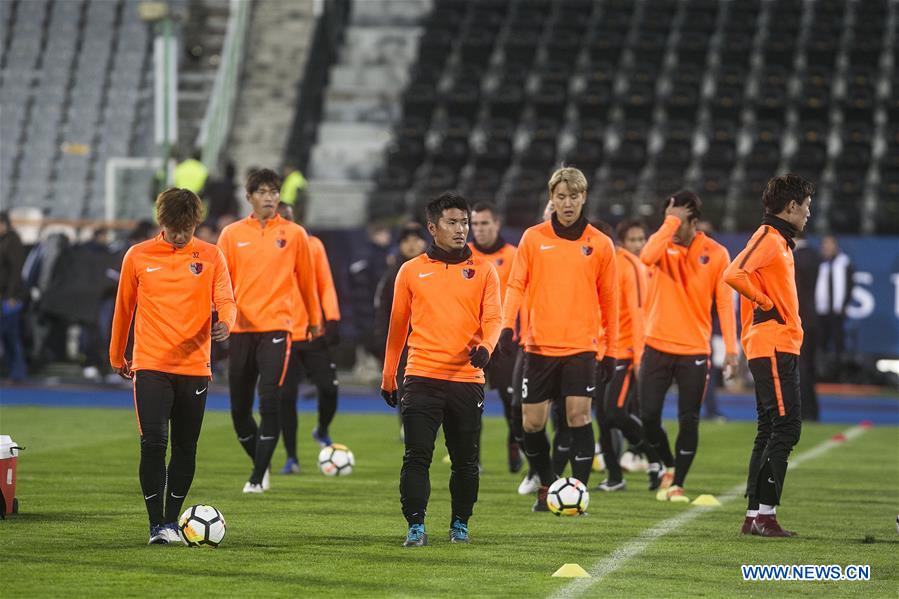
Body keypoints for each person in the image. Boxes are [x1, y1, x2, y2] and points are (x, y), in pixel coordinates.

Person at [108, 188, 236, 544]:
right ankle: (157, 526)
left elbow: (225, 297)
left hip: (195, 366)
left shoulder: (211, 256)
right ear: (161, 222)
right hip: (151, 363)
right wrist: (117, 354)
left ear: (196, 223)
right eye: (174, 228)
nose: (180, 236)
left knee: (185, 447)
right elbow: (124, 308)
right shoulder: (138, 256)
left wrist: (227, 320)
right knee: (152, 443)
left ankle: (170, 519)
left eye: (187, 229)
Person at [380, 192, 501, 546]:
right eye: (452, 222)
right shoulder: (411, 271)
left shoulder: (484, 271)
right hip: (421, 377)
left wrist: (486, 347)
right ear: (433, 228)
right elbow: (397, 327)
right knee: (417, 455)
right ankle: (415, 526)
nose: (461, 229)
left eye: (464, 222)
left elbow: (494, 317)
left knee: (465, 461)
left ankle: (460, 524)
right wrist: (389, 376)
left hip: (467, 379)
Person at [498, 167, 619, 511]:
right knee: (530, 424)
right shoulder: (533, 238)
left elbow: (611, 301)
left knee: (578, 419)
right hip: (537, 347)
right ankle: (549, 483)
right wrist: (507, 326)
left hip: (582, 348)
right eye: (561, 196)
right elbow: (515, 285)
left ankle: (577, 493)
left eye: (574, 196)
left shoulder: (600, 244)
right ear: (551, 198)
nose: (567, 203)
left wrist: (609, 351)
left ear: (584, 198)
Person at [218, 169, 321, 493]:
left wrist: (314, 319)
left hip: (278, 327)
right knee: (238, 409)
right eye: (262, 191)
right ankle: (259, 463)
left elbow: (307, 279)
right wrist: (219, 318)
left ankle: (257, 476)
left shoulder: (294, 234)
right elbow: (220, 285)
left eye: (274, 191)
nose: (269, 197)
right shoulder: (231, 235)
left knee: (270, 400)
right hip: (240, 329)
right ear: (248, 197)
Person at [724, 174, 813, 537]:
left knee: (769, 428)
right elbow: (733, 273)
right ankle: (766, 516)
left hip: (771, 343)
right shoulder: (768, 237)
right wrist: (765, 304)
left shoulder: (778, 240)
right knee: (787, 427)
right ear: (790, 207)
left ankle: (752, 517)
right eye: (806, 207)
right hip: (774, 343)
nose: (809, 213)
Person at [639, 190, 738, 502]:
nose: (671, 225)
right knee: (649, 417)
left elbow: (724, 305)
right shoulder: (662, 243)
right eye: (667, 219)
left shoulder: (717, 253)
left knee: (688, 418)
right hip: (655, 344)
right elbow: (645, 257)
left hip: (694, 350)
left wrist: (732, 351)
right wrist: (670, 223)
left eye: (678, 220)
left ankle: (678, 482)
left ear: (694, 221)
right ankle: (668, 462)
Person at [594, 219, 662, 492]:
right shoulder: (592, 267)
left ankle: (656, 459)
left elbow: (637, 313)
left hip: (625, 351)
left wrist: (638, 360)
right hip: (598, 352)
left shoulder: (628, 265)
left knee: (616, 413)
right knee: (602, 417)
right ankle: (614, 477)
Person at [276, 202, 342, 474]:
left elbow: (324, 282)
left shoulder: (313, 245)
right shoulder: (268, 250)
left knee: (329, 388)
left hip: (313, 331)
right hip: (282, 334)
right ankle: (291, 457)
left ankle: (322, 428)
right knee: (286, 397)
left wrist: (333, 317)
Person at [468, 201, 522, 472]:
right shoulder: (463, 255)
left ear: (497, 224)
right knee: (470, 405)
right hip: (472, 344)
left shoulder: (513, 256)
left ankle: (515, 444)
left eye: (484, 223)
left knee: (513, 404)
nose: (479, 229)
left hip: (504, 344)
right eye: (475, 224)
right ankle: (472, 458)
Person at [374, 223, 428, 439]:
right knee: (406, 386)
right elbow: (383, 309)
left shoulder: (435, 269)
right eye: (407, 240)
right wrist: (382, 340)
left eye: (416, 239)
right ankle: (407, 426)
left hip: (431, 339)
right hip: (404, 342)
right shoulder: (392, 275)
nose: (412, 244)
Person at [815, 234, 854, 382]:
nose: (827, 247)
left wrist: (845, 304)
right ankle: (821, 373)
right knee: (821, 342)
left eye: (830, 244)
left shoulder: (844, 263)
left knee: (838, 342)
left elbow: (850, 285)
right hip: (821, 310)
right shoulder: (819, 263)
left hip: (837, 311)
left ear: (836, 245)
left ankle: (839, 374)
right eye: (825, 244)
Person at [793, 235, 821, 420]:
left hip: (798, 319)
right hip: (812, 318)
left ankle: (802, 410)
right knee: (808, 367)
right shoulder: (814, 255)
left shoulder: (794, 258)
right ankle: (812, 410)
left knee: (799, 367)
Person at [0, 212, 27, 382]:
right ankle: (12, 370)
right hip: (4, 295)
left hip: (10, 297)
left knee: (11, 335)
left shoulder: (13, 242)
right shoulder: (5, 241)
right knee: (7, 335)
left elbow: (15, 272)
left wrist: (11, 296)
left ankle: (17, 372)